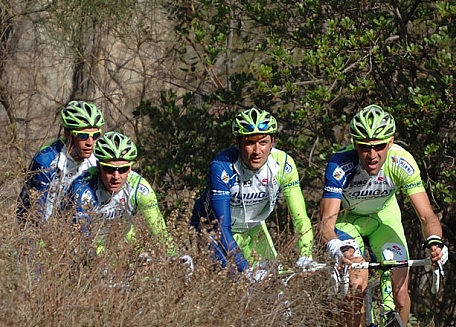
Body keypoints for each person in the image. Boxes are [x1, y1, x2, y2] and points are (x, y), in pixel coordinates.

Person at [319, 104, 449, 327]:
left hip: (383, 219)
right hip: (347, 221)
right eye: (364, 147)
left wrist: (435, 243)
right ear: (354, 144)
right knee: (357, 282)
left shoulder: (402, 162)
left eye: (379, 146)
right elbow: (326, 223)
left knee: (401, 289)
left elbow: (427, 215)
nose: (372, 155)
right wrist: (338, 247)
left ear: (391, 142)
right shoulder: (340, 165)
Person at [190, 107, 314, 280]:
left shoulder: (284, 164)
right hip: (215, 231)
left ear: (273, 142)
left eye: (263, 142)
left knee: (274, 286)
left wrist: (306, 255)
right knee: (237, 283)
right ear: (238, 143)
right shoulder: (222, 167)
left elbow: (300, 218)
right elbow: (222, 227)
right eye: (249, 143)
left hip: (253, 227)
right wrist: (245, 268)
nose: (257, 151)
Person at [70, 131, 185, 267]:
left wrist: (175, 260)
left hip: (126, 247)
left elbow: (160, 234)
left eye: (123, 169)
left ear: (130, 167)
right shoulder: (82, 188)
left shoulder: (140, 189)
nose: (116, 176)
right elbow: (83, 239)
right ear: (99, 165)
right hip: (92, 251)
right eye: (109, 169)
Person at [17, 100, 105, 224]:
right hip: (45, 226)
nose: (90, 142)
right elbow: (35, 212)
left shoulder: (98, 159)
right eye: (83, 136)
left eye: (95, 135)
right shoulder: (45, 161)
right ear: (68, 134)